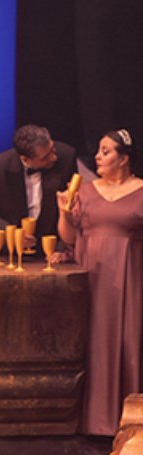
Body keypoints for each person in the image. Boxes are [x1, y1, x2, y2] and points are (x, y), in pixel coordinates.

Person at [55, 129, 143, 436]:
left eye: (106, 151)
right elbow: (69, 237)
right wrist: (64, 213)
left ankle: (127, 418)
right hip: (90, 273)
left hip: (127, 276)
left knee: (126, 339)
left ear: (124, 158)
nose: (97, 156)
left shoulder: (140, 191)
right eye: (99, 150)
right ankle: (92, 420)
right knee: (92, 340)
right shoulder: (86, 190)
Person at [0, 124, 78, 253]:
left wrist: (62, 249)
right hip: (9, 251)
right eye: (45, 157)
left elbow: (74, 209)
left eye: (52, 149)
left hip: (51, 249)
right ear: (25, 159)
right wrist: (12, 233)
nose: (54, 157)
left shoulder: (67, 157)